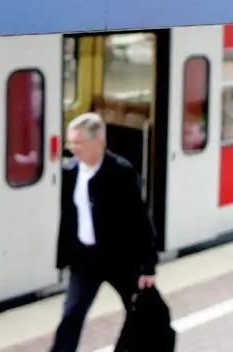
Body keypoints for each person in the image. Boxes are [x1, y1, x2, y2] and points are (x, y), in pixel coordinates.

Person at [51, 112, 158, 352]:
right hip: (84, 259)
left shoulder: (121, 172)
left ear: (98, 142)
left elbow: (139, 220)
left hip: (120, 259)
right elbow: (69, 219)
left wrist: (148, 265)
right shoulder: (69, 172)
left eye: (78, 143)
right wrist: (65, 256)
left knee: (142, 310)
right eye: (70, 142)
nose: (72, 149)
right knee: (71, 316)